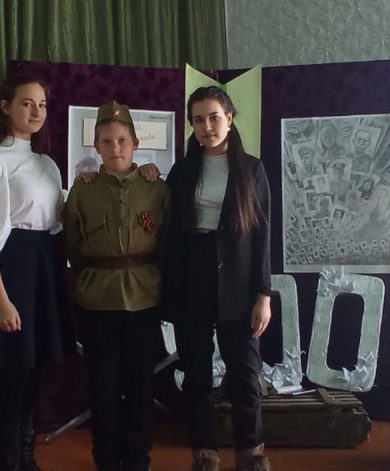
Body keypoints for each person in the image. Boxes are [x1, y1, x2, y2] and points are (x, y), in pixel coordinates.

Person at [161, 86, 273, 471]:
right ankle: (204, 451)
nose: (207, 127)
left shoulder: (252, 169)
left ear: (230, 118)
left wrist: (264, 294)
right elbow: (168, 226)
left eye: (214, 117)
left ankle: (251, 452)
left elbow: (263, 235)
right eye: (198, 120)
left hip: (239, 281)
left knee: (245, 374)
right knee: (197, 373)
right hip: (192, 278)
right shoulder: (182, 171)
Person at [0, 73, 67, 471]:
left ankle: (26, 456)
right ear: (5, 107)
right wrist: (1, 300)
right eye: (27, 103)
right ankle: (8, 460)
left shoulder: (46, 164)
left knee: (35, 371)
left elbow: (57, 220)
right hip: (11, 271)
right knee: (13, 374)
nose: (36, 112)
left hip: (43, 270)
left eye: (42, 105)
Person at [63, 101, 170, 471]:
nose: (115, 148)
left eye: (123, 140)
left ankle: (139, 459)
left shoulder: (156, 189)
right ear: (96, 147)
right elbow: (73, 245)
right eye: (106, 141)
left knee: (141, 386)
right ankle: (106, 460)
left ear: (136, 143)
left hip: (145, 297)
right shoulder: (84, 191)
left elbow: (168, 240)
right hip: (97, 300)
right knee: (103, 387)